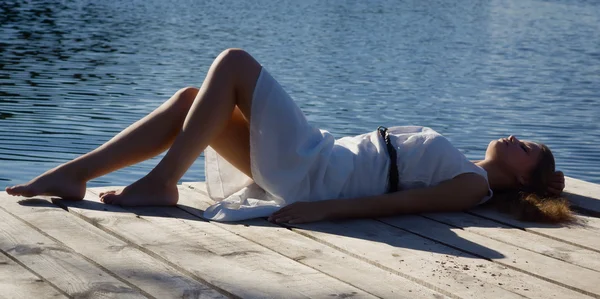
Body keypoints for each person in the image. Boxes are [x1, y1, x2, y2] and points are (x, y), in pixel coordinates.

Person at [5, 49, 570, 224]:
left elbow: (396, 202)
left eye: (528, 147)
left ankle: (159, 183)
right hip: (317, 155)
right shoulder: (465, 164)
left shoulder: (470, 186)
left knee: (232, 63)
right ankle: (78, 172)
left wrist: (317, 210)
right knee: (188, 100)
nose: (516, 137)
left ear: (525, 175)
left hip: (315, 174)